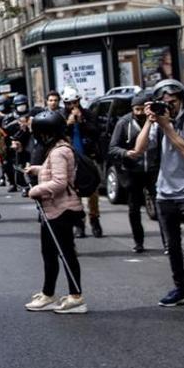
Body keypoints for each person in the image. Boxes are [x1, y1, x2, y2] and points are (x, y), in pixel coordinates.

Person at [132, 79, 184, 319]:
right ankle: (181, 288)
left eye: (173, 102)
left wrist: (167, 125)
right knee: (172, 246)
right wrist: (150, 122)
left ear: (181, 100)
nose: (169, 107)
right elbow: (138, 150)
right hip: (165, 192)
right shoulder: (158, 124)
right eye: (164, 103)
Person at [23, 111, 87, 314]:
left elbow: (60, 182)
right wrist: (38, 169)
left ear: (45, 133)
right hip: (54, 210)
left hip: (61, 210)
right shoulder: (59, 149)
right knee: (49, 253)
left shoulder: (59, 151)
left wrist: (34, 190)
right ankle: (48, 294)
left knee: (66, 254)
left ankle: (76, 297)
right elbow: (57, 172)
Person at [106, 92, 152, 252]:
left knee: (161, 207)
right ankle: (138, 242)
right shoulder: (124, 122)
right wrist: (126, 153)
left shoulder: (156, 120)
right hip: (132, 171)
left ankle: (169, 243)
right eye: (136, 109)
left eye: (142, 109)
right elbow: (112, 148)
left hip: (153, 170)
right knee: (134, 208)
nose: (139, 113)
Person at [60, 87, 102, 238]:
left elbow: (96, 132)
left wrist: (82, 121)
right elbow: (59, 135)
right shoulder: (61, 116)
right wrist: (68, 124)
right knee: (74, 193)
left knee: (92, 192)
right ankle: (79, 224)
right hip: (71, 159)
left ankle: (95, 219)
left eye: (75, 102)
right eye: (69, 103)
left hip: (88, 158)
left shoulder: (88, 114)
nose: (72, 106)